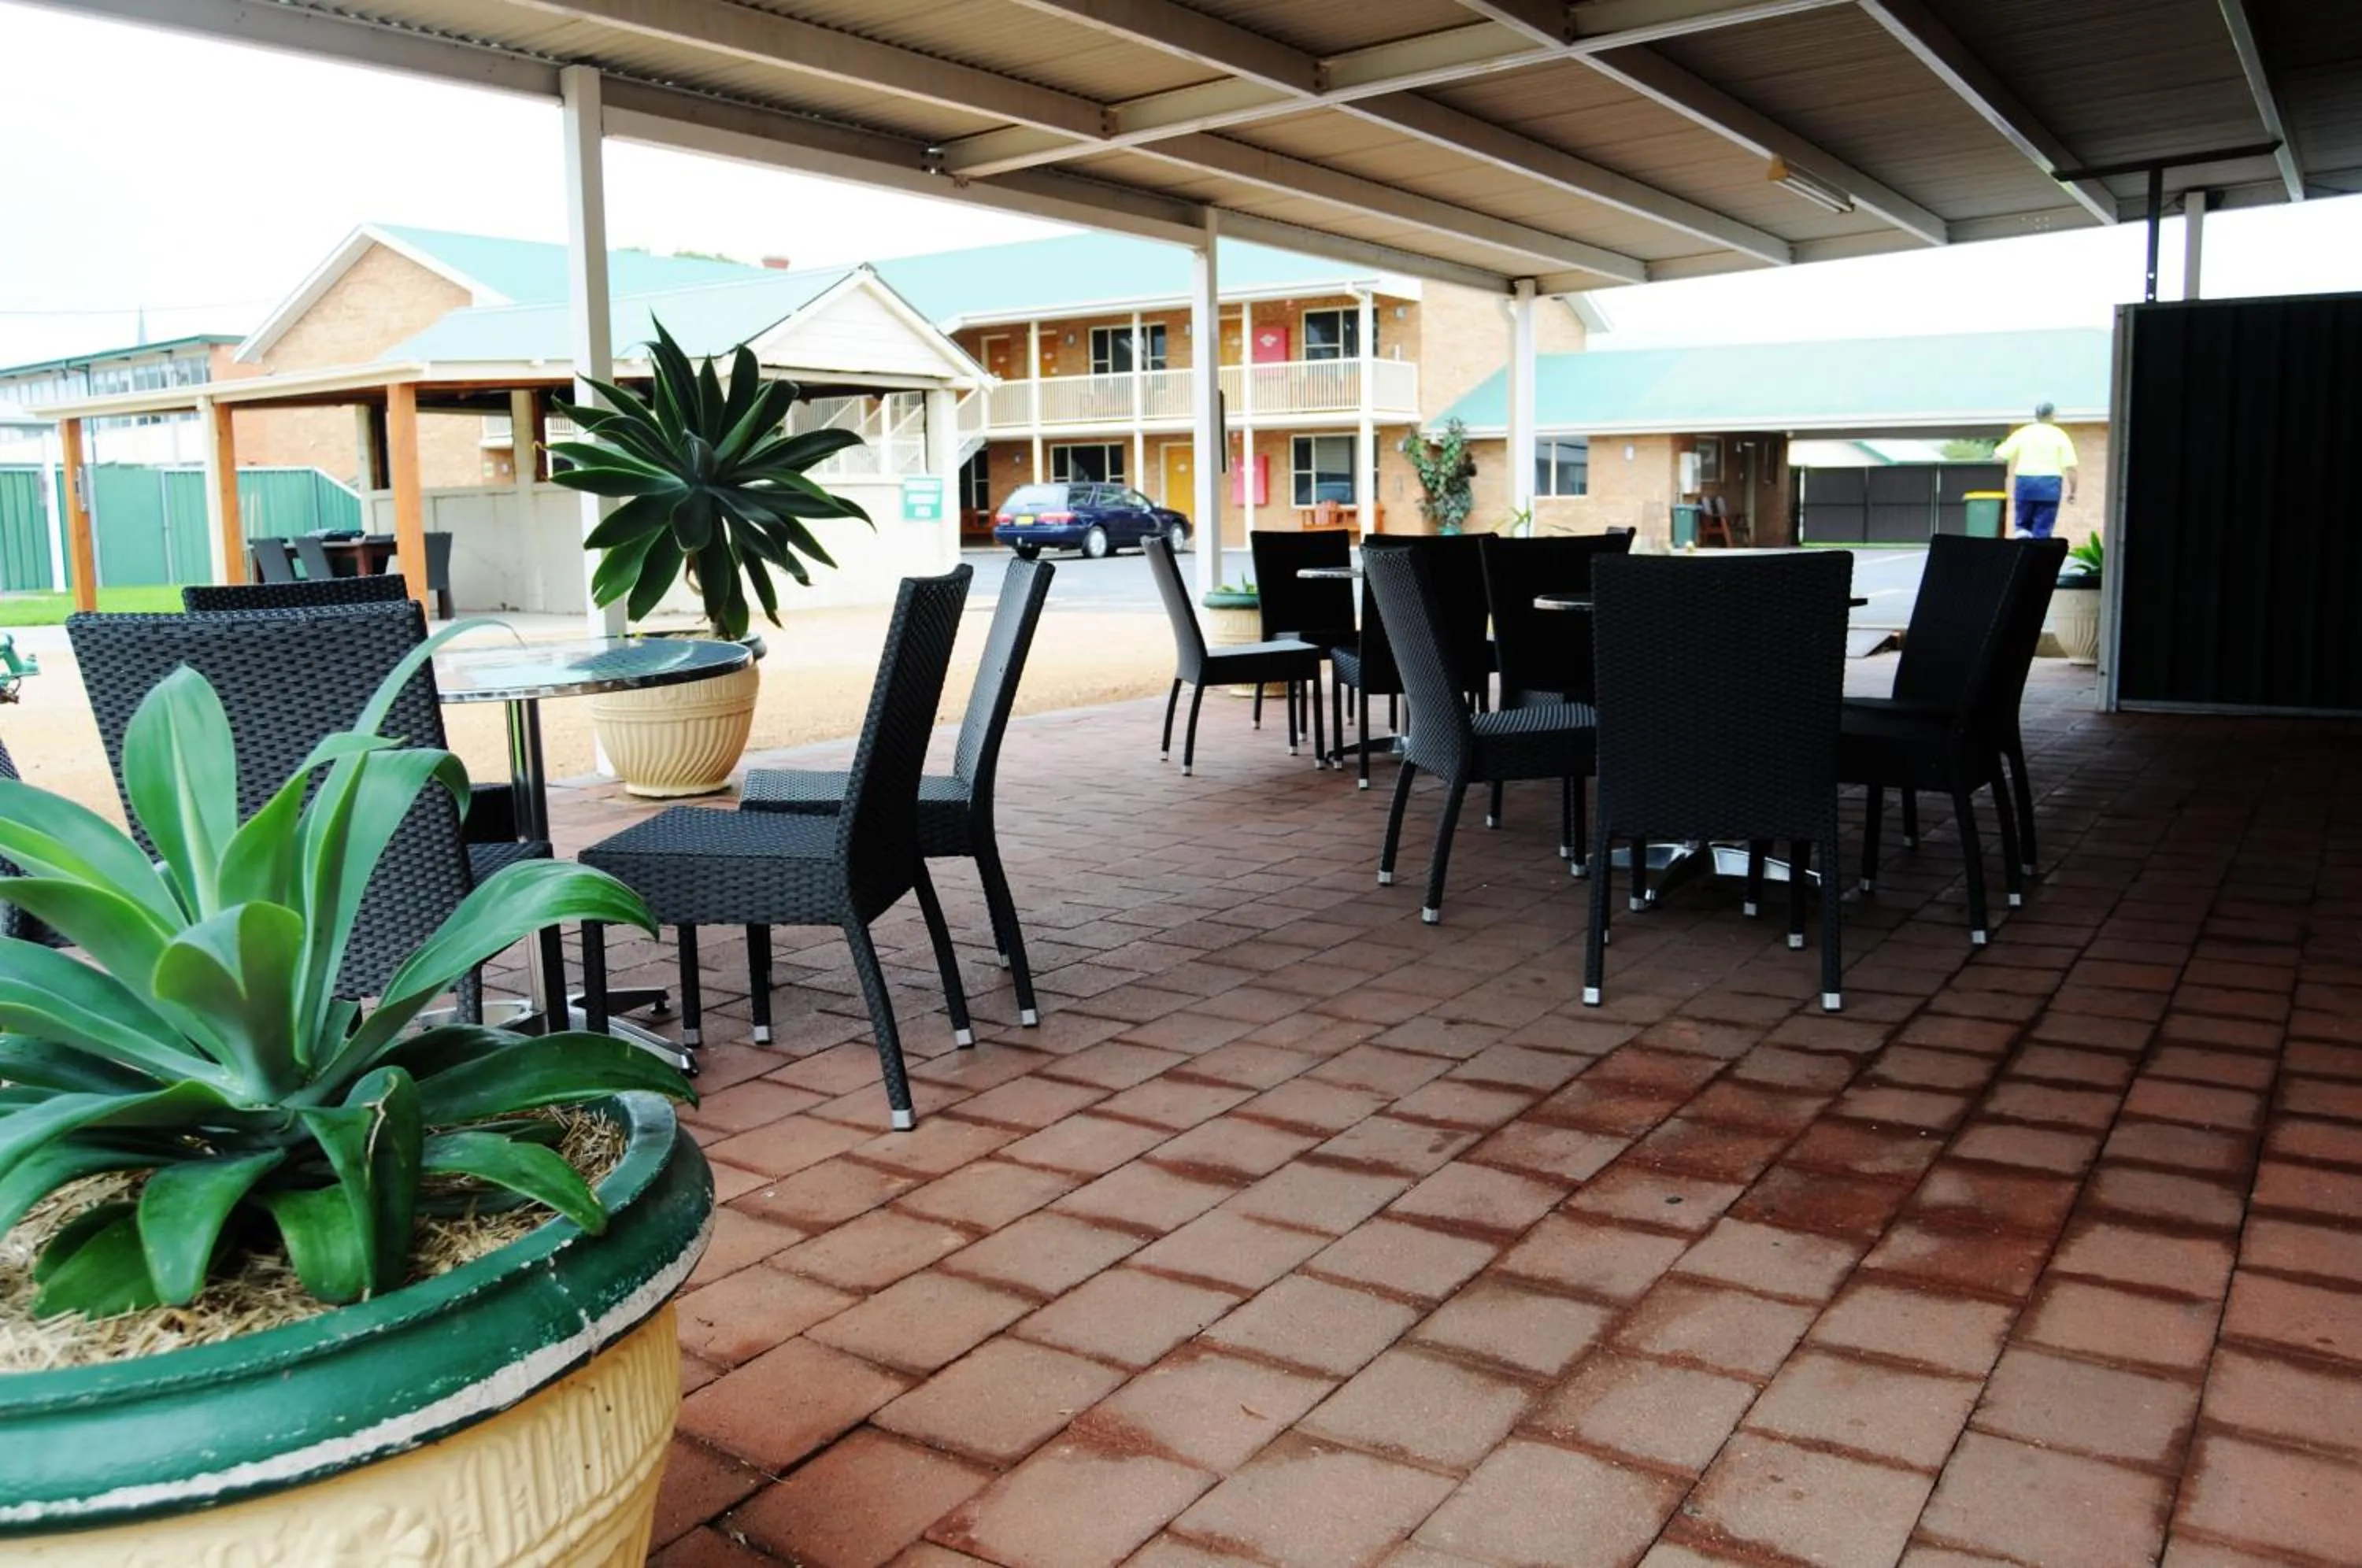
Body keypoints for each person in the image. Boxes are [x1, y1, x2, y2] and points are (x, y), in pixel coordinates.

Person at [1995, 401, 2078, 538]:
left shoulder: (2023, 433)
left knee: (2022, 526)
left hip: (2025, 482)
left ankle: (2023, 550)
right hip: (2050, 485)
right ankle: (2039, 554)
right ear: (2052, 415)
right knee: (2043, 529)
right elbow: (2071, 468)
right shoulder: (2059, 435)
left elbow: (1998, 457)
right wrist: (2073, 492)